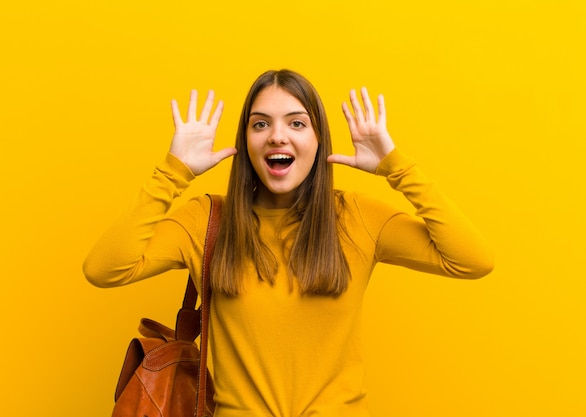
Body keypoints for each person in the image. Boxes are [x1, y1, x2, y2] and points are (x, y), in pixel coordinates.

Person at [83, 69, 494, 416]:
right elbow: (105, 269)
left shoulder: (358, 217)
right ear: (246, 141)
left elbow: (472, 259)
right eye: (260, 124)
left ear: (318, 140)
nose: (277, 136)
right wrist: (173, 173)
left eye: (296, 123)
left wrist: (397, 168)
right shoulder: (206, 220)